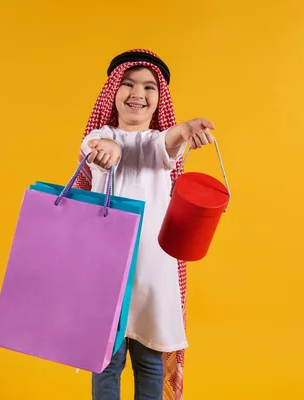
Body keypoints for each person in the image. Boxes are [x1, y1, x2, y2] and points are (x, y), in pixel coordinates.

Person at [73, 49, 216, 400]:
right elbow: (98, 147)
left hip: (153, 268)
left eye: (149, 87)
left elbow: (169, 141)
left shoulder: (157, 144)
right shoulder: (98, 137)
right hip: (106, 269)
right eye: (128, 84)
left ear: (158, 100)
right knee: (107, 360)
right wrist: (108, 148)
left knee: (150, 360)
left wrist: (186, 128)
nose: (138, 93)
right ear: (113, 92)